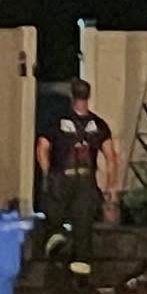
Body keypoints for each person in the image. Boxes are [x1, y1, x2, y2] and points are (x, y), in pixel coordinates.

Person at [36, 80, 119, 274]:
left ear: (72, 96)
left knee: (54, 223)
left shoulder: (55, 121)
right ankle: (80, 277)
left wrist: (48, 173)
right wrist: (110, 187)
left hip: (61, 178)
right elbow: (111, 158)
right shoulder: (98, 125)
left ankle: (55, 264)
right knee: (83, 230)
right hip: (86, 182)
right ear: (88, 96)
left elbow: (42, 148)